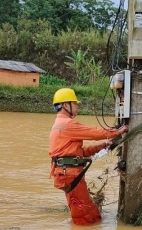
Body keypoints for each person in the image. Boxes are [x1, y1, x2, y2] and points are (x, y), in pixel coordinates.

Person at [49, 87, 128, 225]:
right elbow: (93, 132)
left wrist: (101, 146)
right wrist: (117, 131)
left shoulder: (59, 124)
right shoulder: (67, 124)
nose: (77, 106)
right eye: (75, 103)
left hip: (67, 174)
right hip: (70, 174)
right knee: (84, 215)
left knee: (88, 211)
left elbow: (80, 152)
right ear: (66, 105)